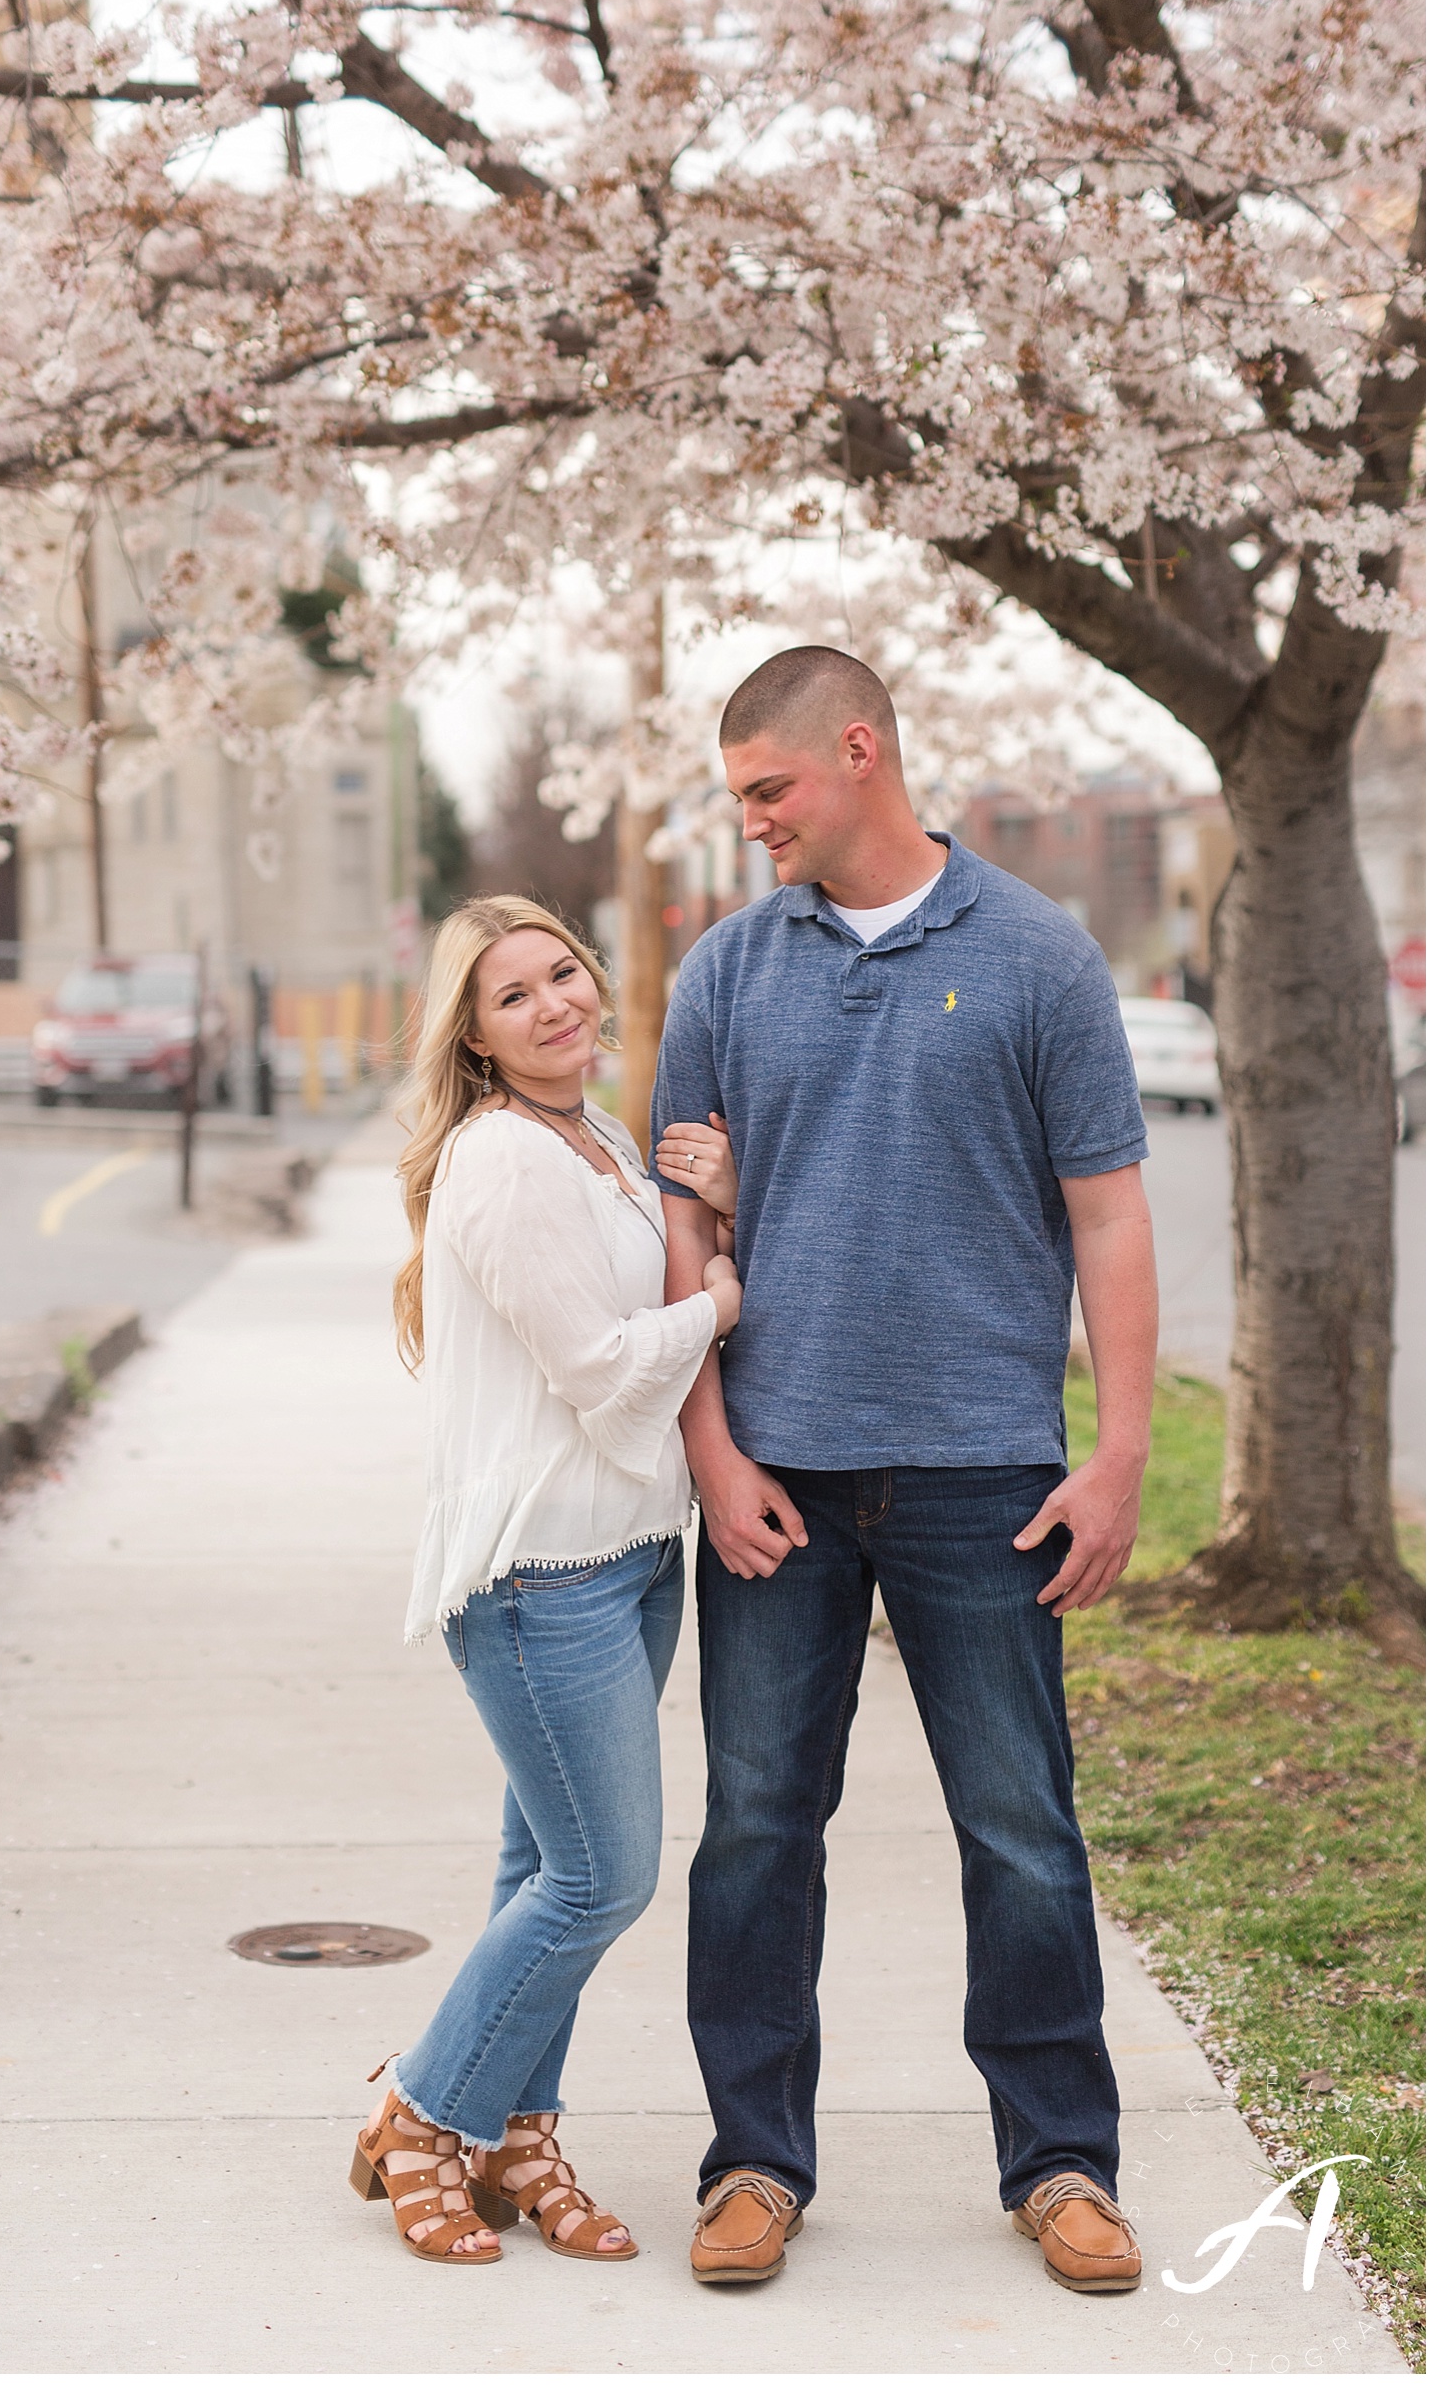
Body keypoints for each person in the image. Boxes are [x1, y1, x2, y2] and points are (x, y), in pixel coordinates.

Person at [651, 647, 1156, 2296]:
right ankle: (752, 2162)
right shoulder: (724, 970)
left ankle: (1064, 2158)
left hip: (982, 1473)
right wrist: (712, 1448)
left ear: (859, 751)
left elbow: (1109, 1214)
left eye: (770, 791)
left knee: (1020, 1828)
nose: (753, 826)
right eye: (740, 799)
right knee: (753, 1830)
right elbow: (686, 1228)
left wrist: (1123, 1452)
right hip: (779, 1475)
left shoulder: (1038, 956)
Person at [350, 894, 742, 2266]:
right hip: (539, 1578)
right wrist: (718, 1304)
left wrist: (709, 1213)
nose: (555, 1003)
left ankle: (520, 2130)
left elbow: (625, 1313)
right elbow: (602, 1369)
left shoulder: (598, 1142)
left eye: (562, 970)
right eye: (512, 995)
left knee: (544, 1870)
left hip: (628, 1558)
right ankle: (423, 2110)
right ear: (473, 1033)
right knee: (599, 1877)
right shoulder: (505, 1161)